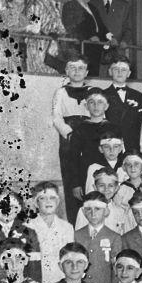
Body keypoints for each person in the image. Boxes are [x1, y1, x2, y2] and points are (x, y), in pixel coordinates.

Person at [51, 56, 96, 218]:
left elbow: (99, 112)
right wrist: (69, 133)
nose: (77, 72)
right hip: (69, 138)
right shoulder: (61, 92)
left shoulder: (93, 91)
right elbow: (56, 117)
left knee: (89, 174)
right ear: (67, 71)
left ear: (87, 72)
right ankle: (73, 222)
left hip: (90, 135)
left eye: (81, 68)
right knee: (71, 178)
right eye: (73, 68)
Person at [25, 181, 75, 283]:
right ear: (36, 203)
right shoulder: (27, 227)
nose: (48, 202)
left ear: (58, 201)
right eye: (43, 198)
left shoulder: (67, 228)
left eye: (52, 198)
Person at [74, 193, 123, 283]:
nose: (93, 213)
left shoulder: (114, 237)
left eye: (97, 209)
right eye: (88, 209)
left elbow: (116, 269)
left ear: (106, 211)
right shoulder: (76, 235)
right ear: (83, 212)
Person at [101, 57, 142, 154]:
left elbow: (141, 124)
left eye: (123, 70)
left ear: (129, 73)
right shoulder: (102, 96)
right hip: (111, 146)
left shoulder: (139, 96)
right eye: (116, 69)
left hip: (133, 146)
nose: (119, 72)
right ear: (110, 71)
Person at [25, 0, 68, 74]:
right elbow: (34, 26)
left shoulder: (55, 7)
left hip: (52, 46)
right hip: (38, 45)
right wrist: (48, 33)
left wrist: (60, 34)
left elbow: (61, 28)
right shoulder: (35, 4)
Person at [61, 0, 103, 75]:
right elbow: (71, 26)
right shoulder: (70, 6)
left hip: (95, 50)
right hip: (80, 49)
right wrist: (89, 36)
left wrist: (110, 36)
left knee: (93, 77)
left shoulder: (93, 8)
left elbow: (101, 26)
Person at [93, 0, 134, 71]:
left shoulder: (124, 5)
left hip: (117, 49)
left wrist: (124, 41)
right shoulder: (93, 3)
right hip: (98, 48)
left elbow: (128, 27)